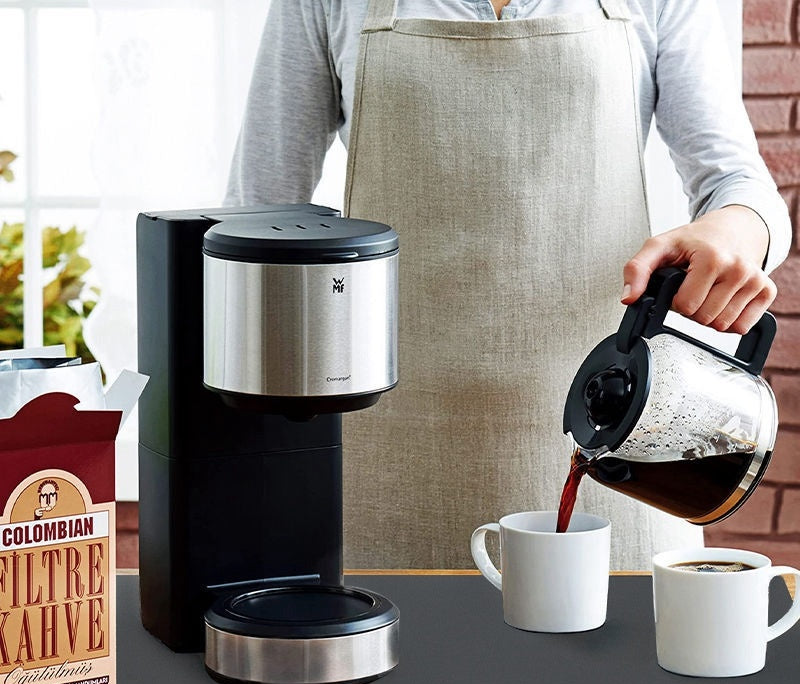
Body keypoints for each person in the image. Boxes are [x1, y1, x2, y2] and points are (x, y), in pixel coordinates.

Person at [224, 0, 792, 570]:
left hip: (616, 433)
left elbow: (736, 180)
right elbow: (258, 216)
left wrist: (733, 229)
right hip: (384, 450)